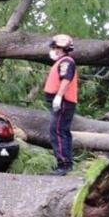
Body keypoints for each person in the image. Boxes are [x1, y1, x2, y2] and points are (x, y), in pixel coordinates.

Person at [43, 34, 78, 176]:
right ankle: (66, 163)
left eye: (55, 48)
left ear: (61, 48)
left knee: (57, 131)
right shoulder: (63, 61)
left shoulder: (66, 62)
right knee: (62, 131)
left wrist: (58, 96)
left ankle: (63, 165)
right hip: (62, 102)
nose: (52, 50)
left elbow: (66, 79)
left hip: (63, 102)